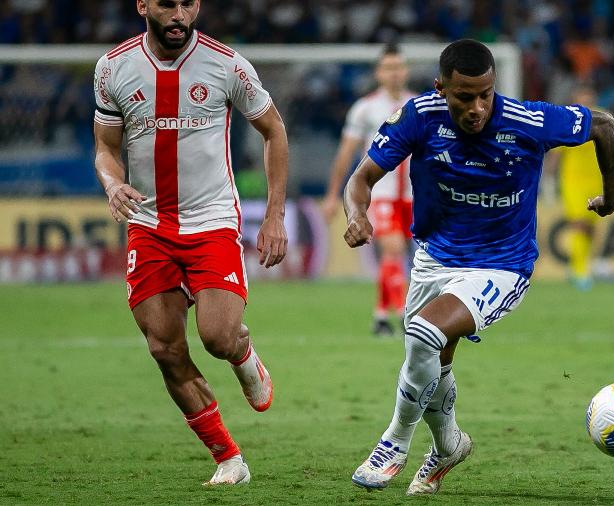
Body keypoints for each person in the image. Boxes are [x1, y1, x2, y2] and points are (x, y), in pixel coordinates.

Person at [342, 39, 614, 495]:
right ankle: (448, 444)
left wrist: (613, 195)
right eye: (464, 96)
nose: (477, 107)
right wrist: (357, 214)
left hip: (502, 265)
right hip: (434, 258)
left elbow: (605, 125)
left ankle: (395, 440)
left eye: (485, 94)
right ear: (441, 89)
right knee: (434, 359)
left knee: (422, 335)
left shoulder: (526, 120)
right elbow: (362, 178)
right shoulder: (419, 116)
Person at [92, 0, 288, 486]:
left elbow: (273, 130)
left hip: (212, 221)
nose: (179, 14)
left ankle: (242, 352)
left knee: (218, 337)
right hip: (150, 223)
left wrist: (275, 216)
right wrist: (113, 185)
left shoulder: (227, 64)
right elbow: (106, 148)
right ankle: (228, 458)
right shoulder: (113, 68)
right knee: (164, 347)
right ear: (143, 5)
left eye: (188, 4)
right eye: (166, 4)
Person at [322, 44, 416, 336]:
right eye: (388, 67)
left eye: (398, 67)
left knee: (405, 258)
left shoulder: (418, 104)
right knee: (394, 250)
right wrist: (332, 194)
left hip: (416, 194)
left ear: (406, 70)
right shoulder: (366, 108)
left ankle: (380, 317)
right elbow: (346, 153)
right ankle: (403, 314)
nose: (394, 73)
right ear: (378, 73)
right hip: (381, 193)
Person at [544, 83, 607, 290]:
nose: (586, 102)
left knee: (590, 227)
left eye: (589, 98)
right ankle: (580, 272)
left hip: (596, 180)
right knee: (578, 223)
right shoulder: (568, 121)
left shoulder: (603, 118)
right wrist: (548, 181)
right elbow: (555, 154)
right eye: (582, 98)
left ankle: (581, 265)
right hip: (572, 181)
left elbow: (612, 150)